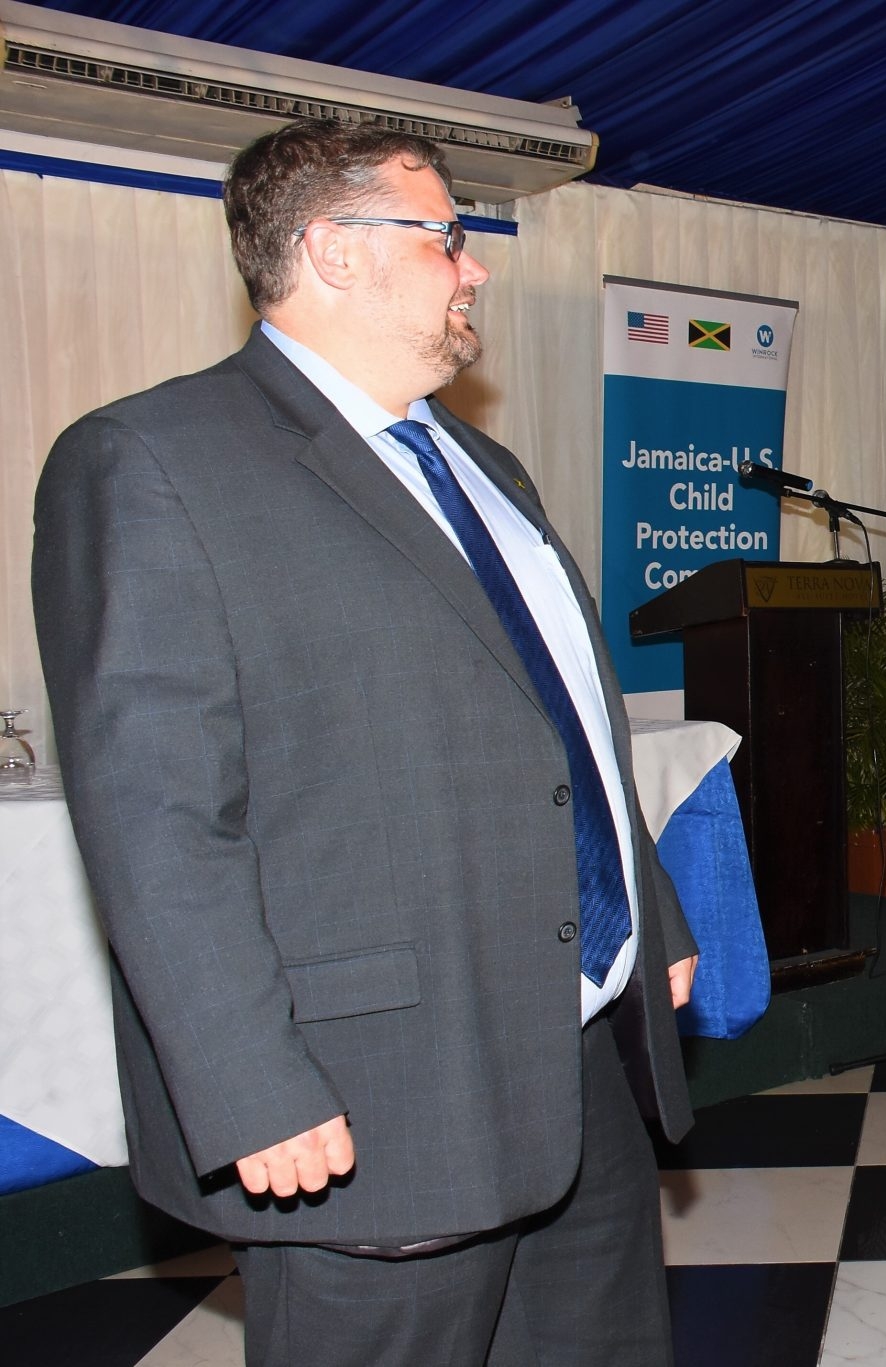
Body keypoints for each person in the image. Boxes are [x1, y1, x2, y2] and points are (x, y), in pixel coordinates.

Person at [32, 119, 699, 1366]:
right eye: (446, 235)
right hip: (374, 1083)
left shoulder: (484, 465)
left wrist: (647, 908)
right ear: (334, 250)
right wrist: (248, 1083)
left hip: (572, 1049)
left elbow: (558, 716)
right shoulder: (152, 460)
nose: (475, 266)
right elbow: (155, 818)